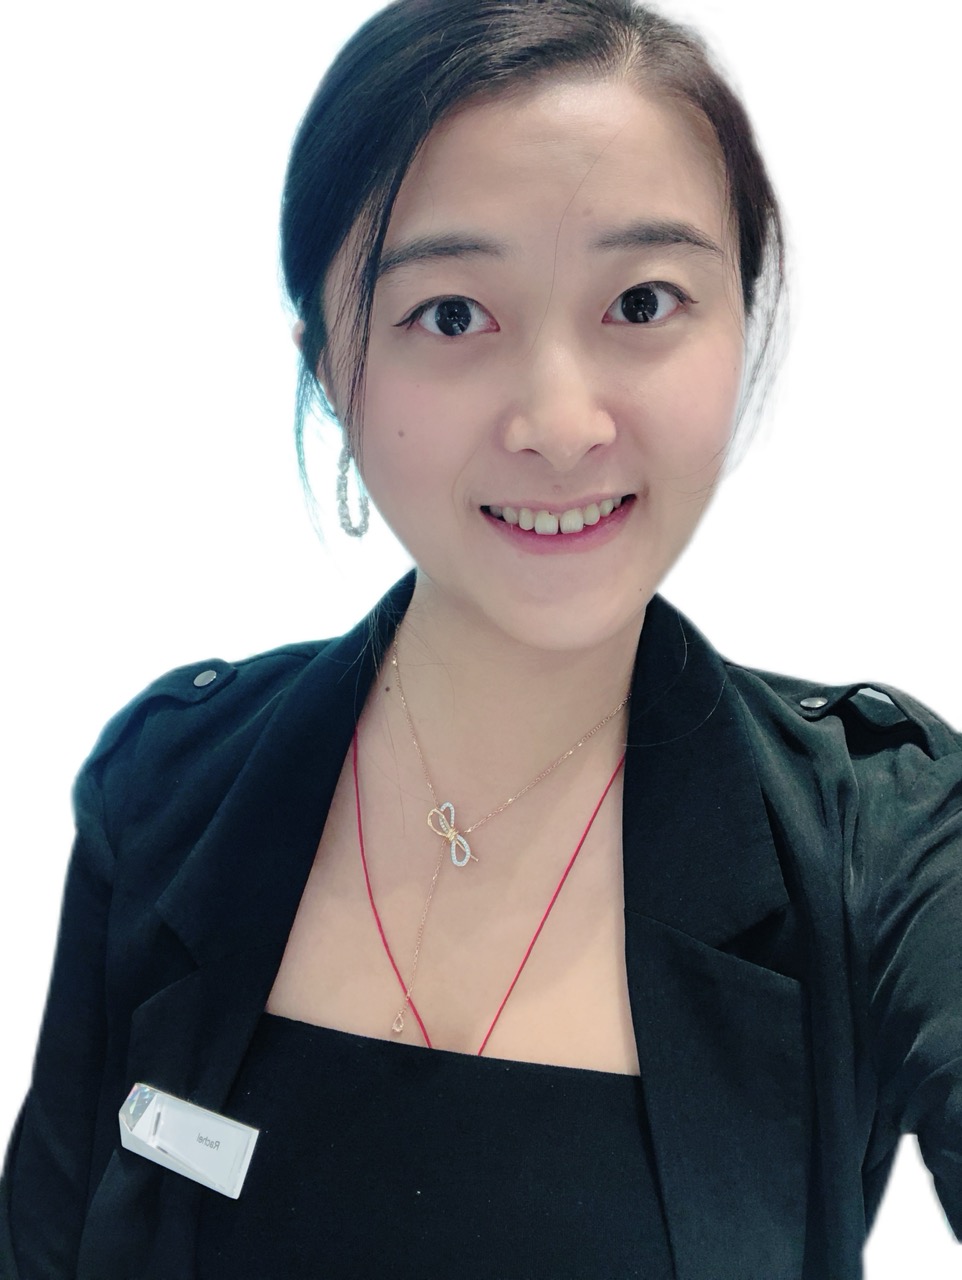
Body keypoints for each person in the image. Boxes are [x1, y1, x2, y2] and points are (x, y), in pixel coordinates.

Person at [1, 0, 960, 1275]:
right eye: (451, 314)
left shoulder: (879, 841)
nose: (559, 424)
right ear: (328, 365)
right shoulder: (166, 792)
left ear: (741, 319)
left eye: (642, 300)